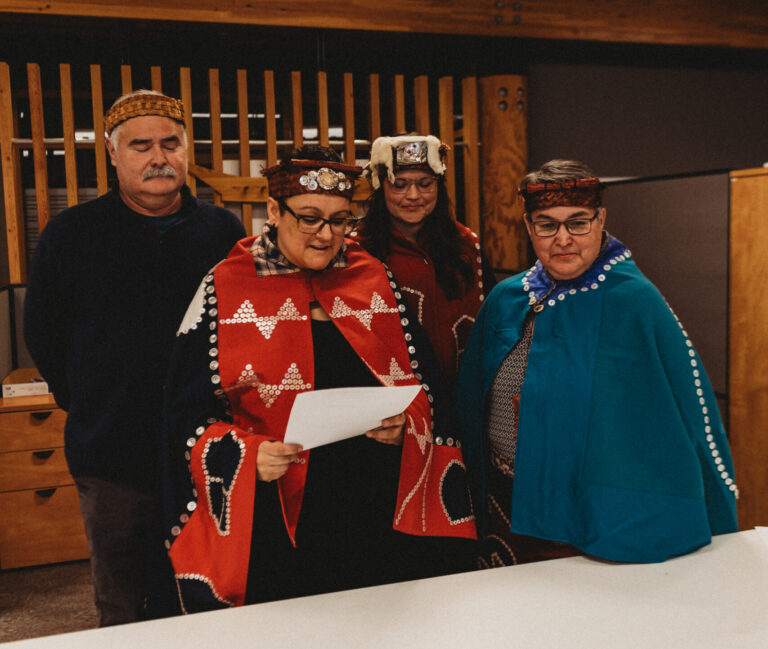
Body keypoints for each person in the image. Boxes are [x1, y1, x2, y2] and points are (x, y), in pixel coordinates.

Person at [162, 145, 476, 614]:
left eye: (341, 219)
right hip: (275, 521)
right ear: (273, 210)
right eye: (309, 218)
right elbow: (184, 417)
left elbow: (424, 390)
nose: (327, 235)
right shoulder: (225, 287)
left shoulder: (372, 276)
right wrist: (247, 456)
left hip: (373, 514)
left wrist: (405, 425)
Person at [23, 90, 246, 625]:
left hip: (206, 453)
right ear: (112, 153)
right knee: (122, 604)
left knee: (209, 594)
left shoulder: (223, 232)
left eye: (171, 143)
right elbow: (43, 335)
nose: (158, 157)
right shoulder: (71, 234)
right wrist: (93, 402)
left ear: (187, 150)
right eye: (141, 145)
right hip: (113, 454)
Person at [456, 159, 738, 567]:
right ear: (528, 226)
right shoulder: (507, 297)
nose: (563, 239)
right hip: (505, 507)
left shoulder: (634, 301)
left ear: (601, 219)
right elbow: (469, 399)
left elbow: (683, 417)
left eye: (578, 222)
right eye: (547, 224)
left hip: (591, 522)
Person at [354, 135, 495, 387]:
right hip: (389, 401)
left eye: (425, 184)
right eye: (399, 184)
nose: (413, 195)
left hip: (462, 393)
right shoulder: (357, 249)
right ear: (380, 186)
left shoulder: (467, 245)